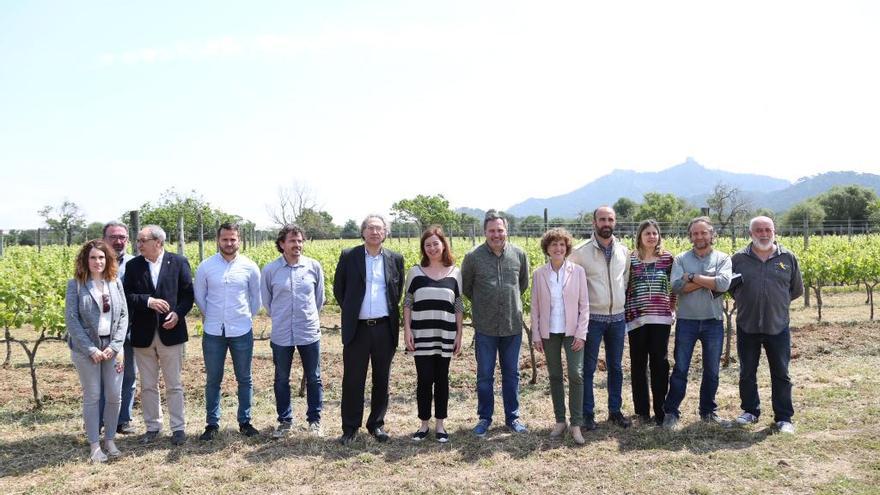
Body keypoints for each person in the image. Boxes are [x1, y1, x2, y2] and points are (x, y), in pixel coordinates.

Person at [334, 214, 405, 445]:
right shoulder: (349, 256)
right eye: (370, 228)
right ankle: (350, 427)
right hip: (358, 329)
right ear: (363, 232)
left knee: (381, 379)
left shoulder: (395, 258)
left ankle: (376, 424)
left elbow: (397, 290)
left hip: (385, 328)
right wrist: (354, 311)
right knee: (353, 380)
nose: (375, 232)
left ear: (385, 233)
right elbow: (339, 289)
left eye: (379, 228)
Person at [730, 216, 803, 434]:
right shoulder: (738, 259)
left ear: (774, 231)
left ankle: (783, 417)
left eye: (767, 230)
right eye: (758, 230)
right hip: (747, 324)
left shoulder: (788, 258)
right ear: (751, 233)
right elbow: (732, 288)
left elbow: (796, 289)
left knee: (781, 373)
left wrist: (776, 305)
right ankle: (750, 411)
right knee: (747, 372)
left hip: (777, 326)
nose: (763, 234)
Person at [123, 225, 194, 446]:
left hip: (171, 332)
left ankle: (178, 428)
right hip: (143, 334)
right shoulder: (133, 266)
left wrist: (178, 314)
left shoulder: (179, 262)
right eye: (138, 240)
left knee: (174, 384)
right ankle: (153, 427)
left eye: (143, 240)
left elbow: (187, 295)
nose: (138, 244)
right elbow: (126, 295)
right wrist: (147, 301)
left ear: (158, 242)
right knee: (147, 385)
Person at [462, 210, 530, 437]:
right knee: (484, 375)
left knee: (512, 374)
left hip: (512, 325)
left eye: (500, 230)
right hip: (486, 327)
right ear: (485, 232)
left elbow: (521, 285)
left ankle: (513, 417)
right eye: (491, 230)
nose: (496, 234)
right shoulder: (473, 257)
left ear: (506, 231)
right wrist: (487, 303)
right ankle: (485, 418)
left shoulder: (519, 255)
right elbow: (467, 288)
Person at [662, 216, 732, 430]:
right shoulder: (681, 258)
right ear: (690, 236)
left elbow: (723, 284)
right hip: (687, 322)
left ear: (712, 234)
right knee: (681, 368)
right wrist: (706, 280)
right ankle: (671, 412)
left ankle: (708, 412)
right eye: (695, 233)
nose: (699, 236)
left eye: (704, 232)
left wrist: (691, 277)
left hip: (713, 322)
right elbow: (675, 287)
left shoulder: (723, 258)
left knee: (712, 370)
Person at [194, 222, 262, 440]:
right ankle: (212, 424)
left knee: (245, 378)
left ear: (239, 240)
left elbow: (256, 299)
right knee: (213, 379)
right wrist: (213, 317)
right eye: (225, 239)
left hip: (242, 329)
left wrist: (243, 317)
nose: (229, 243)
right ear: (218, 240)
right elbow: (200, 298)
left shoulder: (250, 267)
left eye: (233, 239)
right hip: (213, 331)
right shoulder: (206, 266)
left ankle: (245, 421)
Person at [569, 206, 631, 430]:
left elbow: (624, 280)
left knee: (616, 367)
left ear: (615, 222)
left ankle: (615, 411)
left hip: (617, 318)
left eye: (610, 219)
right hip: (592, 319)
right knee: (588, 368)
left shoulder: (624, 252)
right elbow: (572, 285)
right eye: (602, 219)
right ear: (594, 222)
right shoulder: (579, 252)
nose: (606, 223)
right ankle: (587, 414)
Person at [65, 240, 127, 462]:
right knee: (92, 396)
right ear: (85, 260)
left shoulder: (115, 282)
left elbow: (123, 317)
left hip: (113, 348)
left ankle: (109, 440)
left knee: (114, 395)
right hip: (86, 350)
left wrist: (114, 346)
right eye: (93, 257)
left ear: (107, 259)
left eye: (101, 257)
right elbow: (72, 320)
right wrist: (91, 349)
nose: (97, 262)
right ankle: (94, 445)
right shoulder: (76, 285)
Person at [262, 224, 326, 438]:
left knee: (314, 377)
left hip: (308, 330)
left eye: (300, 241)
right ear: (282, 244)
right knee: (281, 378)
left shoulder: (313, 267)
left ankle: (315, 421)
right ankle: (285, 420)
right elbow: (268, 302)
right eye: (292, 241)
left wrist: (307, 316)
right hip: (281, 333)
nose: (297, 245)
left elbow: (319, 299)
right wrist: (283, 317)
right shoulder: (271, 270)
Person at [402, 226, 464, 443]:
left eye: (436, 243)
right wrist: (407, 330)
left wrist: (459, 334)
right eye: (427, 245)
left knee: (442, 380)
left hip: (445, 334)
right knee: (424, 379)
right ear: (423, 248)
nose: (432, 248)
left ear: (444, 245)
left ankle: (440, 425)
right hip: (421, 334)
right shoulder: (415, 272)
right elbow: (407, 302)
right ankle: (423, 424)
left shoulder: (455, 272)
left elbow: (458, 304)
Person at [530, 227, 589, 444]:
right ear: (547, 248)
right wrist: (536, 334)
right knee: (555, 375)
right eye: (553, 244)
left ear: (567, 248)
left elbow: (585, 305)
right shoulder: (539, 274)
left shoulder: (578, 272)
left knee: (576, 374)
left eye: (562, 244)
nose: (558, 248)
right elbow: (534, 307)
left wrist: (581, 333)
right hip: (549, 333)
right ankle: (560, 420)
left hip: (572, 331)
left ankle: (576, 424)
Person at [624, 219, 676, 426]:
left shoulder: (667, 258)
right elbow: (625, 286)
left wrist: (671, 308)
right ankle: (642, 412)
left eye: (655, 233)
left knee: (660, 363)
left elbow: (674, 287)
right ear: (640, 236)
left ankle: (661, 410)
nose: (652, 237)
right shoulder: (631, 259)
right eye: (648, 233)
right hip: (636, 319)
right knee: (638, 364)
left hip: (661, 319)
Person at [101, 221, 137, 435]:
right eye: (113, 237)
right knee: (100, 379)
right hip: (101, 332)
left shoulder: (135, 263)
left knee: (129, 376)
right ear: (104, 239)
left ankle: (123, 420)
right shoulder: (94, 262)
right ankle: (99, 420)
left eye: (122, 237)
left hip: (130, 331)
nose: (118, 241)